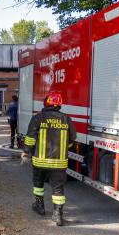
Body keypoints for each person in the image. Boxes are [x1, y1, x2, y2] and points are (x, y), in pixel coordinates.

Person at [22, 91, 76, 226]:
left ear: (46, 102)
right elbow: (72, 139)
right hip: (59, 163)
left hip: (39, 162)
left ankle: (39, 206)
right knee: (58, 189)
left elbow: (30, 138)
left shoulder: (38, 118)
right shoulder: (66, 119)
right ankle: (57, 215)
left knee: (38, 184)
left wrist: (26, 153)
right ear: (59, 104)